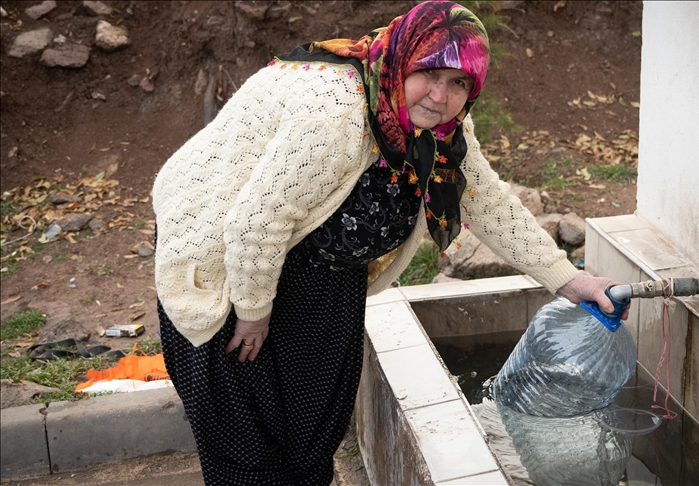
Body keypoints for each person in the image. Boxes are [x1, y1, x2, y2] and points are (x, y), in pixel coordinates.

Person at [152, 1, 627, 484]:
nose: (440, 96)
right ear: (403, 60)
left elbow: (488, 203)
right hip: (226, 256)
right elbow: (255, 221)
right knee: (246, 443)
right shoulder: (337, 112)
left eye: (459, 82)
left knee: (310, 435)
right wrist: (252, 311)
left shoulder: (443, 131)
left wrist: (570, 281)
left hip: (322, 268)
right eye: (428, 73)